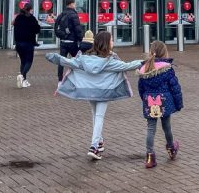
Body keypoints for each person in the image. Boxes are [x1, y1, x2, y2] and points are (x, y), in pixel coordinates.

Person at [46, 31, 143, 161]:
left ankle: (100, 141)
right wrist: (145, 61)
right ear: (106, 43)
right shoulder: (110, 61)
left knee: (95, 114)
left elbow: (68, 62)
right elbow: (128, 65)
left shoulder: (84, 59)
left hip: (89, 91)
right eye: (111, 40)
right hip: (104, 92)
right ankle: (94, 147)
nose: (113, 42)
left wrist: (54, 57)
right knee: (99, 117)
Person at [137, 41, 183, 169]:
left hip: (149, 102)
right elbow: (175, 88)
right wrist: (178, 104)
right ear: (164, 53)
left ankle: (150, 156)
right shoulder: (167, 69)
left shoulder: (144, 69)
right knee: (166, 127)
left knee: (151, 128)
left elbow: (141, 88)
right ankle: (171, 148)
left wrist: (145, 100)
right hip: (165, 102)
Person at [54, 0, 84, 81]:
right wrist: (81, 39)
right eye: (74, 4)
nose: (75, 5)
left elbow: (56, 28)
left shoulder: (61, 14)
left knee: (61, 61)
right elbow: (77, 28)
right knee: (77, 60)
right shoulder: (73, 15)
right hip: (72, 42)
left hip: (63, 42)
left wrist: (62, 36)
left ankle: (60, 79)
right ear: (71, 4)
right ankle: (78, 77)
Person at [12, 2, 40, 88]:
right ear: (30, 10)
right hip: (28, 43)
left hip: (19, 43)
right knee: (29, 61)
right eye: (32, 10)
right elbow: (37, 30)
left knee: (23, 61)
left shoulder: (18, 17)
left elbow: (13, 24)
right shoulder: (32, 18)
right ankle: (22, 76)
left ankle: (24, 81)